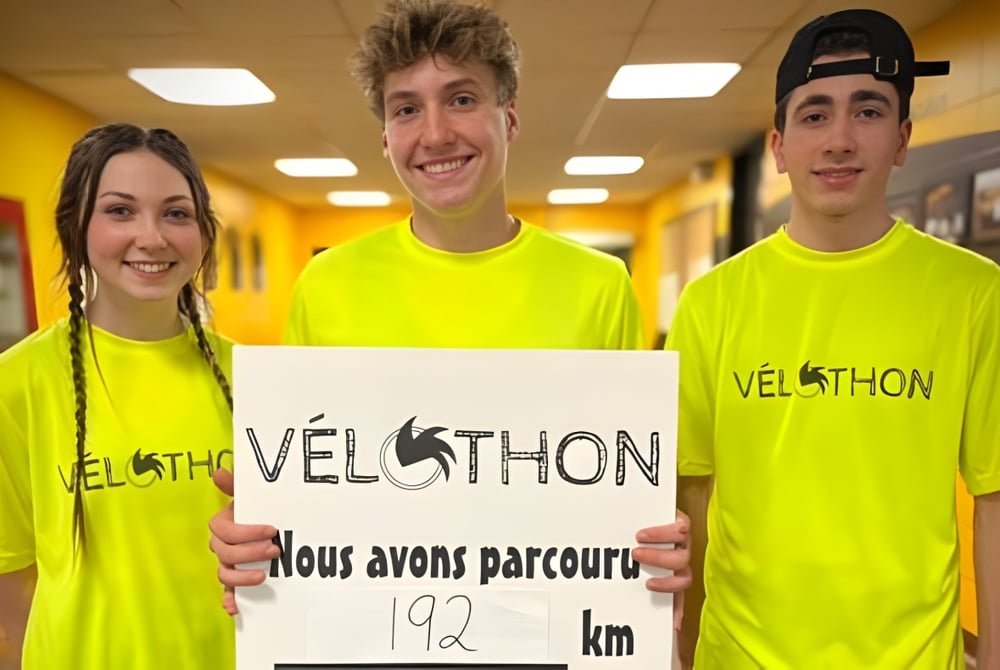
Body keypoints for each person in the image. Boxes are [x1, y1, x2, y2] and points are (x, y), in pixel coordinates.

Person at [208, 0, 692, 629]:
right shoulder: (326, 285)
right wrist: (251, 536)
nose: (434, 134)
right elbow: (304, 491)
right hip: (375, 633)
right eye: (406, 108)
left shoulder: (600, 285)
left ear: (509, 118)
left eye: (462, 99)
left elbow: (623, 491)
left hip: (541, 631)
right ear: (385, 137)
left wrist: (656, 536)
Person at [669, 9, 1000, 669]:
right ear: (779, 147)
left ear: (902, 139)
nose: (840, 140)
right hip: (740, 657)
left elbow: (993, 495)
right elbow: (689, 497)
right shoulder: (710, 303)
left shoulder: (973, 293)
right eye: (815, 115)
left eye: (869, 112)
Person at [0, 123, 236, 669]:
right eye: (120, 211)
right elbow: (13, 584)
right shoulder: (17, 384)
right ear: (75, 226)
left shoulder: (254, 375)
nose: (152, 237)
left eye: (176, 213)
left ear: (202, 232)